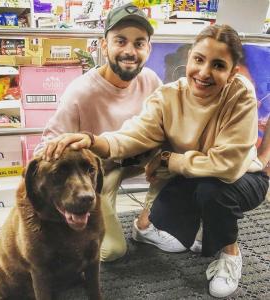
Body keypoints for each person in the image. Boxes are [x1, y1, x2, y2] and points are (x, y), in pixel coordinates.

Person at [42, 24, 269, 298]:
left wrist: (167, 160)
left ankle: (230, 253)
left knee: (213, 193)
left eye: (218, 65)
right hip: (175, 170)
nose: (204, 72)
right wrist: (91, 140)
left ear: (232, 72)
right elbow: (134, 134)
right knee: (132, 237)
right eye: (199, 59)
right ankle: (156, 225)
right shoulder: (166, 94)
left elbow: (228, 166)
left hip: (242, 176)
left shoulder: (238, 93)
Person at [35, 3, 187, 263]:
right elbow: (44, 150)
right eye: (120, 41)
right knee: (112, 251)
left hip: (138, 160)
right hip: (98, 174)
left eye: (139, 43)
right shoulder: (81, 92)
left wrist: (165, 157)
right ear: (104, 46)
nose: (130, 51)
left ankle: (145, 225)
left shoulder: (150, 79)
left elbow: (169, 124)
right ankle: (74, 235)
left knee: (179, 153)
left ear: (148, 49)